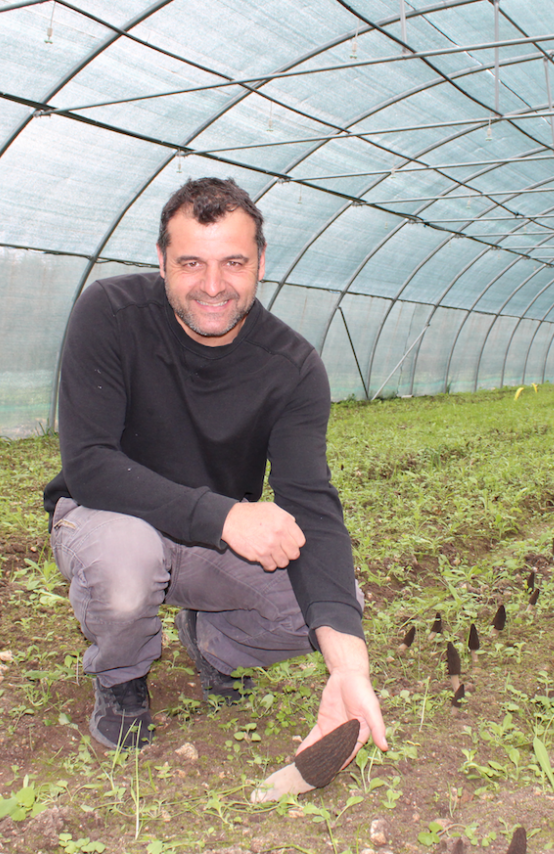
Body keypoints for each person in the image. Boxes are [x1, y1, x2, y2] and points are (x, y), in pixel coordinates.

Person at [43, 177, 387, 779]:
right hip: (110, 518)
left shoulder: (292, 366)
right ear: (161, 263)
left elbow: (311, 503)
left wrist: (349, 669)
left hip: (209, 541)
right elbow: (91, 464)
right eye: (191, 263)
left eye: (233, 262)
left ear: (259, 265)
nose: (212, 285)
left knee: (333, 609)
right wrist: (226, 515)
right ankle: (122, 681)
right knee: (127, 561)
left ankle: (212, 645)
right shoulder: (111, 314)